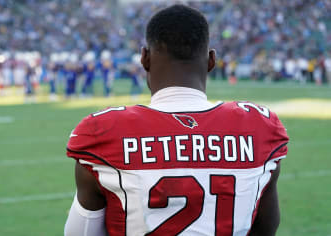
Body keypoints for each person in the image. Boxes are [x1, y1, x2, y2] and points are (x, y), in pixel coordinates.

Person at [64, 5, 289, 236]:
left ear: (144, 58)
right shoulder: (259, 128)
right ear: (212, 61)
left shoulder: (102, 132)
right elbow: (265, 229)